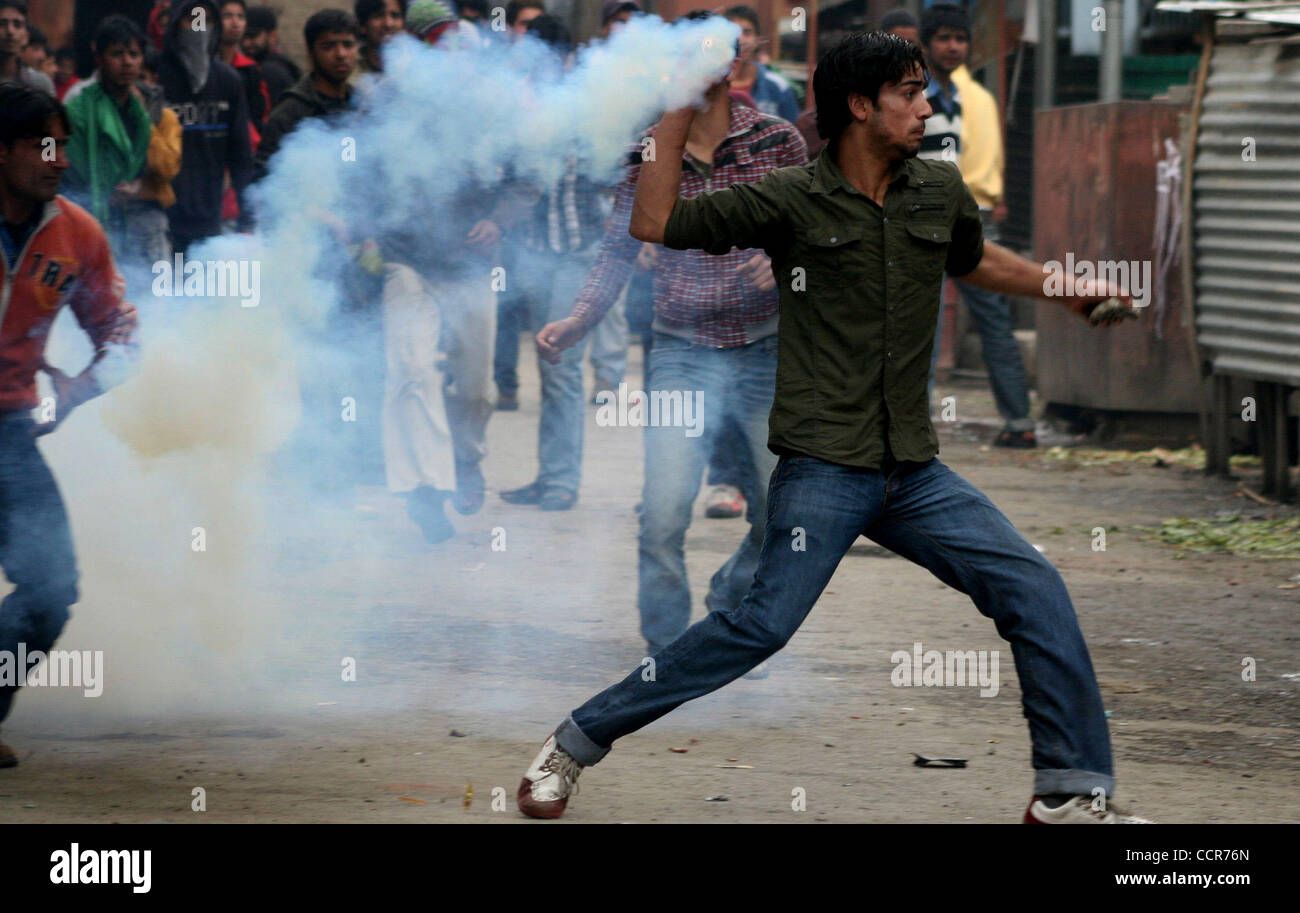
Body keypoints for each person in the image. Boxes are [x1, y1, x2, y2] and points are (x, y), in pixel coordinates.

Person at [516, 30, 1149, 825]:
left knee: (1035, 588)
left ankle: (1068, 789)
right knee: (758, 626)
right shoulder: (790, 199)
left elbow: (974, 261)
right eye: (911, 94)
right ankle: (574, 741)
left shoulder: (937, 190)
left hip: (914, 472)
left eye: (925, 92)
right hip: (825, 469)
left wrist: (1066, 287)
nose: (928, 107)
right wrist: (679, 96)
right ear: (860, 106)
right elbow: (655, 221)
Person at [533, 11, 807, 657]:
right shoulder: (650, 148)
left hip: (765, 349)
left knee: (780, 515)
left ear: (734, 64)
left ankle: (730, 616)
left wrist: (786, 258)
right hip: (680, 352)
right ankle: (667, 656)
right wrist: (580, 318)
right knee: (661, 516)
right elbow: (617, 249)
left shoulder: (778, 141)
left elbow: (818, 228)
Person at [0, 83, 139, 768]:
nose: (59, 160)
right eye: (42, 145)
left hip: (9, 433)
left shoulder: (78, 234)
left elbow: (123, 336)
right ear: (2, 151)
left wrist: (79, 390)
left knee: (52, 587)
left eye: (64, 145)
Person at [497, 16, 603, 512]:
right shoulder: (520, 105)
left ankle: (562, 481)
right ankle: (550, 476)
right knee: (545, 362)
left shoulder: (588, 105)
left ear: (560, 58)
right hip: (533, 254)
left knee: (560, 366)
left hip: (574, 252)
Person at [921, 3, 1035, 447]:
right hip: (936, 220)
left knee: (990, 324)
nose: (953, 47)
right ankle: (920, 425)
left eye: (960, 39)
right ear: (927, 44)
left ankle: (1021, 423)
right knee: (925, 327)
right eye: (944, 38)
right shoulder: (927, 97)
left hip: (967, 221)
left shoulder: (974, 100)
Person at [63, 15, 180, 269]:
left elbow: (168, 168)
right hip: (92, 220)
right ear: (99, 59)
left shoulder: (153, 107)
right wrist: (106, 190)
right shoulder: (78, 107)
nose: (127, 62)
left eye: (134, 54)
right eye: (117, 54)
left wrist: (141, 187)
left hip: (145, 221)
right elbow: (63, 164)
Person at [157, 0, 253, 252]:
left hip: (210, 217)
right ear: (176, 23)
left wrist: (247, 214)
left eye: (206, 20)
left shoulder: (228, 81)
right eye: (192, 19)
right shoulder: (156, 76)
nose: (199, 28)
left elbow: (241, 155)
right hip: (160, 220)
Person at [254, 9, 357, 182]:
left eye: (348, 45)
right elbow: (264, 179)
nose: (341, 54)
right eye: (328, 46)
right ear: (311, 52)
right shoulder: (290, 113)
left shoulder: (361, 105)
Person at [724, 5, 799, 123]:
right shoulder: (710, 86)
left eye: (747, 33)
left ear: (757, 40)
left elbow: (793, 134)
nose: (740, 40)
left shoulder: (778, 86)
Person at [219, 0, 270, 128]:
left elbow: (259, 114)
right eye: (227, 16)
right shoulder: (205, 67)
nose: (235, 23)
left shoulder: (250, 69)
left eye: (240, 17)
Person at [244, 6, 302, 106]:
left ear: (272, 36)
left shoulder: (269, 71)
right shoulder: (281, 66)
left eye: (252, 36)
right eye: (243, 37)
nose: (246, 43)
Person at [0, 1, 54, 95]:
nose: (10, 31)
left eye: (17, 25)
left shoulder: (39, 84)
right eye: (2, 24)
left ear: (26, 37)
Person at [354, 0, 405, 76]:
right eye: (379, 16)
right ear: (362, 25)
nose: (388, 24)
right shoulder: (348, 73)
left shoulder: (417, 69)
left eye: (395, 15)